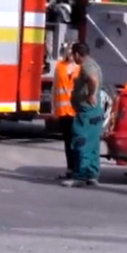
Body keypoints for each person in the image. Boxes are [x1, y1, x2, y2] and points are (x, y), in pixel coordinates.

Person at [62, 42, 104, 187]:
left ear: (77, 54)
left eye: (74, 55)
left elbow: (92, 79)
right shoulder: (93, 64)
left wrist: (90, 94)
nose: (73, 58)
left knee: (80, 141)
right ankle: (92, 175)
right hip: (94, 112)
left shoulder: (87, 67)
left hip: (86, 113)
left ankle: (79, 175)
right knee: (92, 145)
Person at [53, 42, 80, 179]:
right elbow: (54, 89)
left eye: (72, 51)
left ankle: (78, 169)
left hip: (76, 111)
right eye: (67, 51)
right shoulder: (59, 67)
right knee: (67, 141)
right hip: (63, 110)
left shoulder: (80, 68)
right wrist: (54, 109)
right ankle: (70, 168)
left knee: (77, 141)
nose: (69, 54)